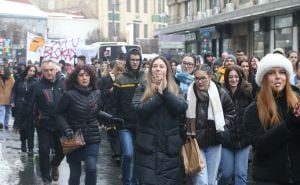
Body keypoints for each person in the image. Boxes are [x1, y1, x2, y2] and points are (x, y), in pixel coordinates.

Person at [56, 64, 123, 185]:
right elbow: (59, 114)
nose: (84, 78)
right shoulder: (68, 95)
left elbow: (96, 112)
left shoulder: (96, 93)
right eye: (81, 75)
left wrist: (111, 119)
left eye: (87, 75)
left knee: (91, 169)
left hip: (92, 138)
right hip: (73, 138)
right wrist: (66, 129)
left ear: (91, 77)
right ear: (75, 78)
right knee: (75, 175)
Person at [243, 53, 300, 184]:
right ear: (263, 78)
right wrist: (289, 123)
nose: (278, 76)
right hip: (267, 179)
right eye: (272, 73)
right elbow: (261, 145)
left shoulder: (296, 103)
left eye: (282, 72)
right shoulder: (252, 110)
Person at [132, 56, 187, 185]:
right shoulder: (142, 87)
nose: (158, 69)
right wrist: (158, 96)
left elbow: (181, 108)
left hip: (170, 148)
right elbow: (140, 110)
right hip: (148, 148)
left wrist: (166, 92)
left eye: (161, 66)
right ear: (150, 70)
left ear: (167, 70)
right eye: (155, 66)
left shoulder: (175, 89)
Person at [186, 64, 235, 185]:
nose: (199, 81)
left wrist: (223, 126)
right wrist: (186, 129)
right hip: (195, 142)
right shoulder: (189, 94)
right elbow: (182, 116)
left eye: (203, 78)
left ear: (210, 77)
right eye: (196, 78)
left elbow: (231, 113)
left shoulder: (221, 93)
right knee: (201, 180)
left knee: (211, 180)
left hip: (214, 141)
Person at [23, 59, 65, 184]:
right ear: (42, 71)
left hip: (61, 124)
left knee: (63, 150)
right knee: (44, 150)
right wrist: (20, 123)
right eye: (46, 70)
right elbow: (28, 105)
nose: (49, 73)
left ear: (56, 70)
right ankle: (46, 179)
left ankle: (55, 164)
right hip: (44, 124)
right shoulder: (36, 86)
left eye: (51, 70)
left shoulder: (64, 84)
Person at [111, 48, 145, 185]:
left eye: (137, 60)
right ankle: (127, 182)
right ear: (128, 60)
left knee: (137, 156)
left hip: (142, 124)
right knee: (128, 154)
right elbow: (113, 103)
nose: (135, 62)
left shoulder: (146, 77)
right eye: (133, 59)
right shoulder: (120, 79)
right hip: (124, 124)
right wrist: (114, 122)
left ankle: (135, 182)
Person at [218, 65, 253, 185]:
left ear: (241, 77)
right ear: (226, 78)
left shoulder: (248, 92)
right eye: (231, 77)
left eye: (236, 77)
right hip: (226, 140)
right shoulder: (221, 93)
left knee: (241, 174)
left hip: (243, 140)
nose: (233, 79)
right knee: (226, 173)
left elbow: (253, 113)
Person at [11, 65, 38, 155]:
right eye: (30, 70)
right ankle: (23, 144)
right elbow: (14, 91)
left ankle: (31, 148)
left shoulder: (36, 82)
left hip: (31, 108)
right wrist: (12, 101)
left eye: (34, 71)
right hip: (19, 107)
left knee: (30, 128)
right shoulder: (19, 79)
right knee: (22, 128)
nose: (32, 72)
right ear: (27, 70)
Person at [0, 65, 15, 130]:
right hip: (1, 97)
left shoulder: (11, 79)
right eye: (1, 70)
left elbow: (14, 89)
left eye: (3, 70)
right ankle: (1, 124)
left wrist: (13, 99)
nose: (1, 71)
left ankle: (6, 124)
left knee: (8, 112)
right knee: (1, 111)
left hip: (9, 98)